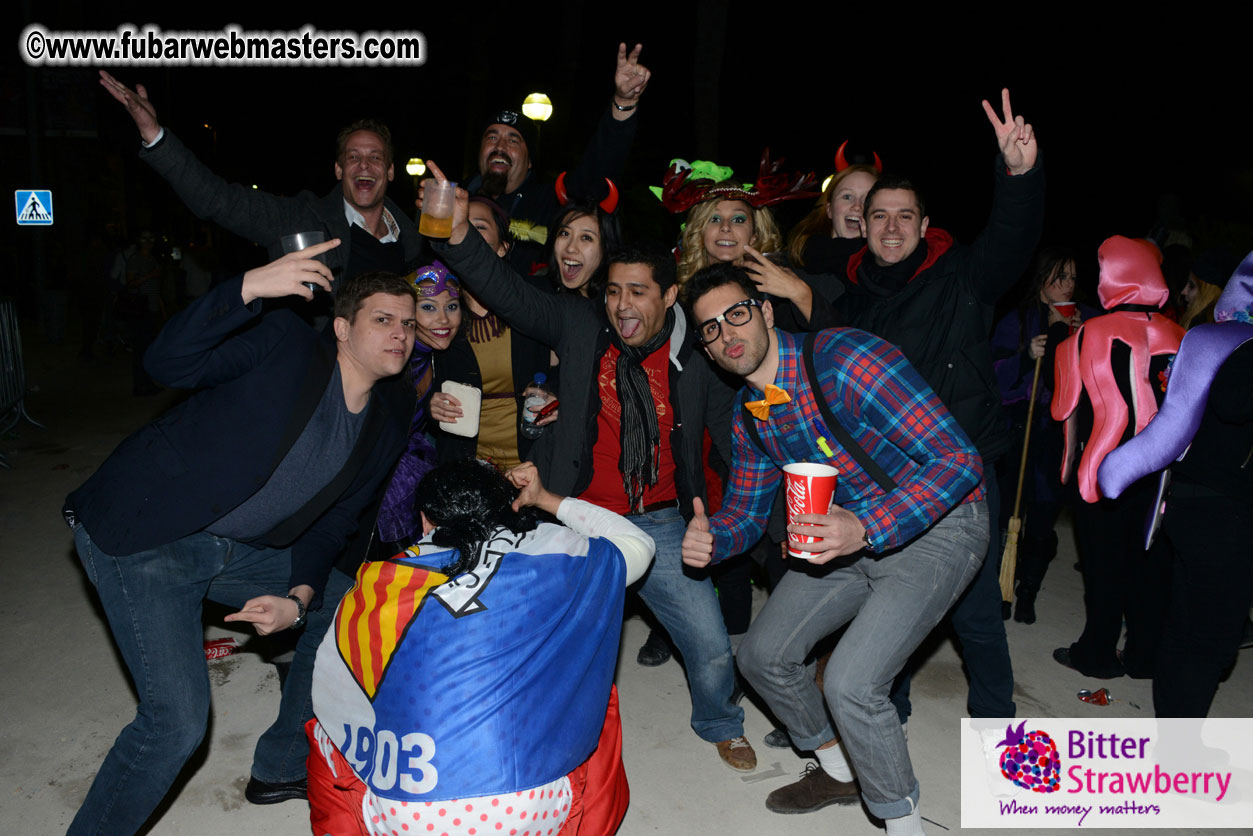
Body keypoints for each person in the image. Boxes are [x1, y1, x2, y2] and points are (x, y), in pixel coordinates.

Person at [62, 243, 419, 836]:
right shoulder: (285, 346)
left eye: (407, 323)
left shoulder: (387, 417)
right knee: (175, 725)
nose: (400, 333)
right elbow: (165, 363)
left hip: (236, 550)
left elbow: (336, 521)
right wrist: (248, 287)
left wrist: (299, 598)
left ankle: (282, 764)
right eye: (383, 319)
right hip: (148, 535)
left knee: (350, 604)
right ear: (341, 327)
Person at [424, 162, 755, 771]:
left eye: (639, 292)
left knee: (711, 645)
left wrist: (745, 514)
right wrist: (457, 232)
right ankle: (525, 730)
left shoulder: (697, 353)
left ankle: (719, 722)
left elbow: (730, 439)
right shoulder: (578, 325)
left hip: (660, 519)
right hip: (574, 512)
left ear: (669, 296)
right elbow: (505, 291)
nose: (623, 305)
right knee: (537, 637)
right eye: (615, 291)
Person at [680, 263, 986, 835]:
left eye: (737, 314)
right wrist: (713, 538)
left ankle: (903, 824)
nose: (727, 335)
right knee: (761, 656)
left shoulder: (845, 359)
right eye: (711, 329)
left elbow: (958, 460)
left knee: (851, 684)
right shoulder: (750, 416)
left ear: (765, 311)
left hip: (940, 522)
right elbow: (746, 515)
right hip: (844, 535)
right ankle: (839, 770)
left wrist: (865, 526)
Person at [810, 89, 1043, 720]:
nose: (891, 228)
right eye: (879, 216)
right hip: (884, 477)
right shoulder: (851, 301)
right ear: (863, 225)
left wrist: (1018, 177)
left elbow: (1012, 238)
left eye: (904, 216)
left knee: (973, 612)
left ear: (923, 222)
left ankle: (996, 723)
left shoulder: (963, 275)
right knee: (888, 599)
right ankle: (890, 708)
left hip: (963, 470)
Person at [307, 459, 653, 836]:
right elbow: (639, 544)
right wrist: (546, 499)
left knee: (326, 729)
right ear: (508, 508)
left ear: (425, 521)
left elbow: (341, 690)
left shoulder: (378, 583)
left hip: (406, 815)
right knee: (594, 694)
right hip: (532, 808)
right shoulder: (559, 554)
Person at [1099, 252, 1253, 715]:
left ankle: (1174, 736)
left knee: (1188, 624)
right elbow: (1231, 403)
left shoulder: (1218, 339)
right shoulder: (1235, 344)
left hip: (1197, 502)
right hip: (1222, 510)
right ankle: (1181, 745)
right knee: (1212, 635)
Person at [99, 71, 424, 287]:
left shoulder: (411, 236)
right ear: (339, 171)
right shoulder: (302, 219)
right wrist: (156, 137)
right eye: (353, 157)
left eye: (375, 157)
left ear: (390, 171)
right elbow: (218, 200)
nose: (364, 165)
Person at [1050, 236, 1185, 680]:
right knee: (1150, 567)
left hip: (1102, 468)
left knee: (1103, 567)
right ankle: (1144, 657)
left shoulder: (1088, 334)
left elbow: (1063, 409)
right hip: (1161, 474)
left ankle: (1097, 654)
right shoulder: (1181, 337)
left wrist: (1067, 471)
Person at [467, 43, 648, 271]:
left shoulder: (552, 203)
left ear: (530, 161)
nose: (500, 146)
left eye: (513, 140)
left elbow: (597, 174)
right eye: (492, 138)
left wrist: (623, 103)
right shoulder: (456, 198)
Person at [990, 248, 1096, 623]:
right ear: (1042, 279)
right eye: (1060, 276)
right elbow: (993, 374)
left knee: (1044, 511)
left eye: (1072, 277)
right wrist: (1025, 357)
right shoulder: (1018, 320)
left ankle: (1029, 591)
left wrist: (1079, 336)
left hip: (1057, 430)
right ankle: (1001, 588)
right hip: (1020, 427)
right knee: (1008, 511)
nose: (1068, 284)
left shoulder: (1084, 320)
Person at [429, 197, 557, 470]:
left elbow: (568, 365)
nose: (468, 233)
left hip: (532, 462)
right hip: (467, 466)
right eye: (461, 225)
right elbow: (412, 378)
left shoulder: (532, 301)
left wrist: (555, 395)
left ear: (503, 247)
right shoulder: (438, 313)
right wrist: (431, 404)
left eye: (479, 226)